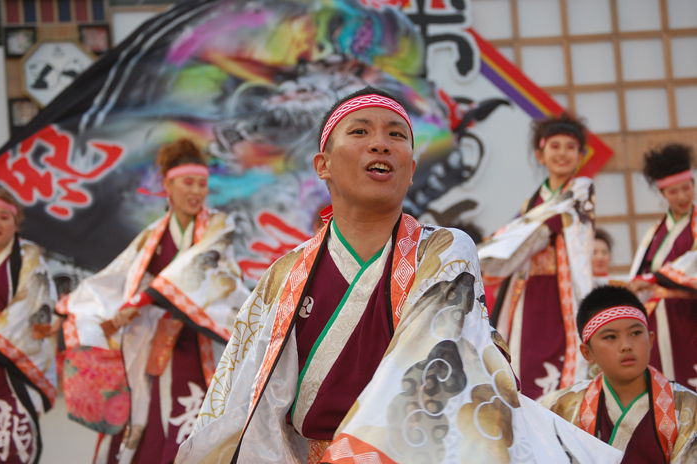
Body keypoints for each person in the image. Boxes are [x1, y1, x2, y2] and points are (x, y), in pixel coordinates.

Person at [176, 88, 621, 464]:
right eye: (360, 132)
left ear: (410, 169)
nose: (380, 143)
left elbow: (437, 372)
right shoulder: (284, 274)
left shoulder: (444, 250)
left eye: (396, 135)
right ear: (322, 165)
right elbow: (237, 397)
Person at [56, 139, 249, 464]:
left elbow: (196, 270)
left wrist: (143, 299)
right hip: (156, 345)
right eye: (188, 182)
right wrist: (83, 308)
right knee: (150, 424)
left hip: (202, 341)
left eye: (202, 184)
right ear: (167, 185)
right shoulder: (152, 236)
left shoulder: (218, 227)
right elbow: (119, 278)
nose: (196, 191)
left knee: (195, 421)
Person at [479, 114, 595, 400]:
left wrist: (487, 255)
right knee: (524, 362)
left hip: (561, 295)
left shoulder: (579, 192)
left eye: (571, 147)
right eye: (555, 146)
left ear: (581, 155)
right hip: (529, 295)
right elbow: (516, 236)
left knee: (564, 369)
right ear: (540, 154)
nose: (563, 153)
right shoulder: (531, 204)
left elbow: (531, 236)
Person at [542, 285, 697, 463]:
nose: (626, 345)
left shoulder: (688, 407)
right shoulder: (560, 407)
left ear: (651, 339)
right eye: (610, 337)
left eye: (636, 333)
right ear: (587, 353)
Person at [627, 144, 697, 391]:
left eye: (687, 188)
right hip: (659, 317)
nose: (682, 197)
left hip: (689, 316)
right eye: (673, 191)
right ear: (663, 194)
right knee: (662, 383)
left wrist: (655, 278)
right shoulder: (655, 232)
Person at [0, 186, 57, 463]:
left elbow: (37, 312)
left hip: (12, 366)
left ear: (15, 222)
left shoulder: (31, 260)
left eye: (4, 217)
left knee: (11, 443)